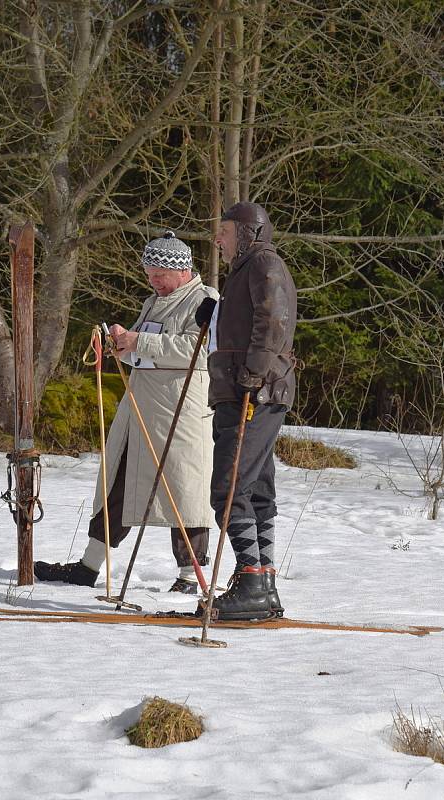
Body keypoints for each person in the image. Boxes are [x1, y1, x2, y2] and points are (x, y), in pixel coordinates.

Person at [35, 231, 218, 593]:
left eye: (159, 275)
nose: (153, 282)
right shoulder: (156, 301)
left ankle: (188, 578)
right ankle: (88, 567)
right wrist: (122, 347)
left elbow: (198, 349)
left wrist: (139, 342)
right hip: (140, 409)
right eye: (150, 275)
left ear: (181, 271)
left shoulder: (204, 300)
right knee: (117, 483)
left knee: (184, 491)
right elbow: (146, 350)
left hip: (180, 416)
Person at [195, 202, 297, 620]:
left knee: (230, 487)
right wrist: (214, 313)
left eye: (224, 230)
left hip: (252, 392)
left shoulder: (264, 264)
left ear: (248, 231)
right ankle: (264, 582)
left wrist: (253, 374)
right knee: (254, 487)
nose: (218, 239)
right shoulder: (246, 269)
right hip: (245, 390)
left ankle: (252, 579)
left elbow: (272, 320)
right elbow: (247, 318)